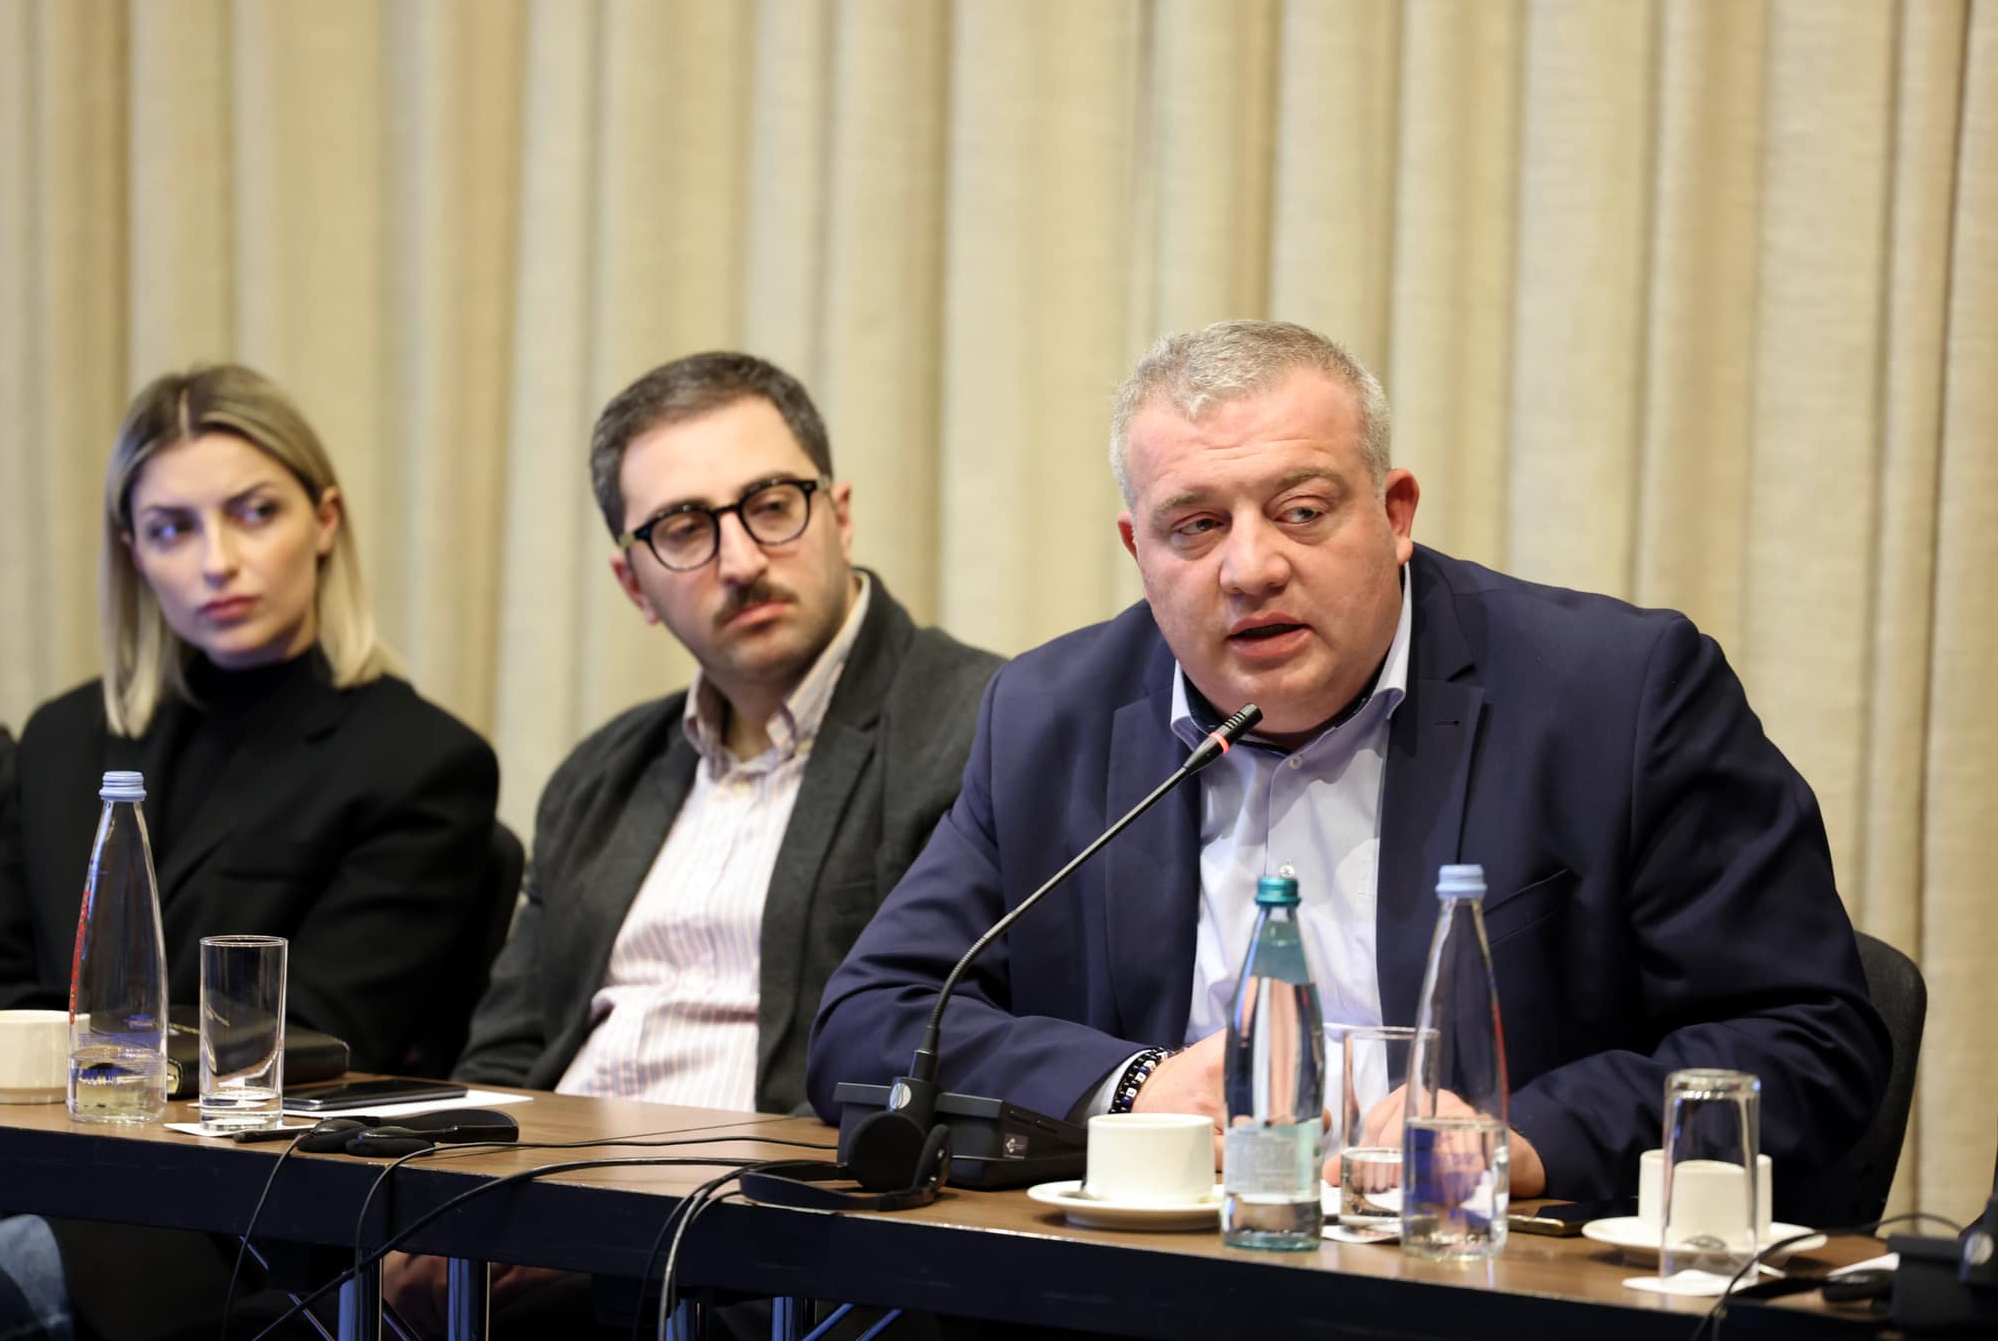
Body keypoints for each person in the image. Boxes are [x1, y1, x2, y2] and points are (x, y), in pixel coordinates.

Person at [807, 320, 1889, 1217]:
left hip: (1481, 1284)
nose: (1250, 567)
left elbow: (1808, 1038)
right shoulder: (1052, 717)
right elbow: (873, 1018)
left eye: (1301, 511)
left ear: (1395, 513)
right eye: (1195, 526)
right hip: (1147, 1289)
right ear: (1139, 552)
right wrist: (1135, 1087)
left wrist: (1523, 1140)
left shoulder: (1616, 696)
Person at [387, 351, 1000, 1336]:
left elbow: (934, 1075)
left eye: (771, 505)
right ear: (633, 583)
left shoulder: (978, 728)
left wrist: (603, 1233)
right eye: (683, 529)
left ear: (839, 514)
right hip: (529, 1239)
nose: (741, 559)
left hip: (764, 1270)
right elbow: (509, 1051)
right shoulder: (602, 774)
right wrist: (453, 1207)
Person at [0, 363, 500, 1341]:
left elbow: (319, 1039)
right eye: (173, 528)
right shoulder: (64, 739)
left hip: (234, 1212)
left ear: (324, 520)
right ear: (133, 551)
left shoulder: (419, 760)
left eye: (254, 513)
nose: (218, 561)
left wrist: (75, 1056)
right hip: (24, 1156)